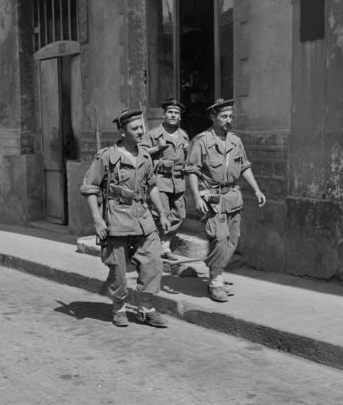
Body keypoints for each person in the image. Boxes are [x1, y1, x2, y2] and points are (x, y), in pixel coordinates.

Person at [80, 108, 171, 328]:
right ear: (122, 131)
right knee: (118, 270)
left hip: (142, 217)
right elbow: (89, 188)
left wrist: (162, 213)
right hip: (116, 217)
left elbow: (151, 187)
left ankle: (146, 307)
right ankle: (119, 307)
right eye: (135, 128)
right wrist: (97, 220)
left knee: (153, 262)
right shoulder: (106, 157)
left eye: (142, 127)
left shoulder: (145, 155)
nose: (141, 131)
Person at [185, 98, 266, 302]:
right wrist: (196, 197)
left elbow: (244, 166)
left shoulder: (235, 141)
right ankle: (216, 281)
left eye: (230, 116)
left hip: (232, 197)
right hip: (212, 198)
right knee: (219, 239)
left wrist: (256, 189)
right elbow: (192, 171)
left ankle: (215, 272)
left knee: (232, 240)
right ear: (213, 117)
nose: (228, 120)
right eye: (223, 116)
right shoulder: (201, 141)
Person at [140, 99, 190, 261]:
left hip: (179, 181)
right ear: (164, 115)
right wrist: (157, 148)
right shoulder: (154, 134)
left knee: (179, 214)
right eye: (170, 112)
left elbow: (188, 158)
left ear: (180, 117)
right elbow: (140, 154)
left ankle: (163, 244)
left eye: (176, 113)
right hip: (160, 180)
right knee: (161, 214)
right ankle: (161, 247)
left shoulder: (184, 135)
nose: (173, 115)